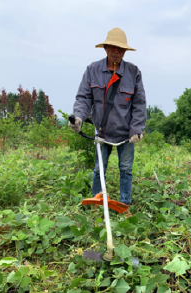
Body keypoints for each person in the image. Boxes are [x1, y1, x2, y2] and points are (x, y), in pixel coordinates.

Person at [70, 28, 146, 209]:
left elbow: (139, 103)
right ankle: (97, 202)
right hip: (102, 131)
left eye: (120, 49)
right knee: (99, 170)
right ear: (105, 48)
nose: (116, 52)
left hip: (126, 134)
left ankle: (124, 204)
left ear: (125, 51)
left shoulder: (133, 72)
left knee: (126, 169)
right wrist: (79, 117)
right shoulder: (92, 70)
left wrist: (136, 129)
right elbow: (84, 97)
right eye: (112, 47)